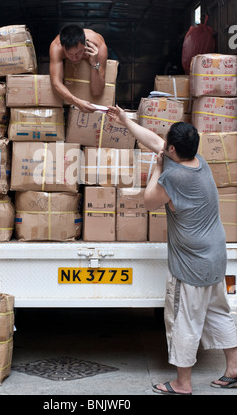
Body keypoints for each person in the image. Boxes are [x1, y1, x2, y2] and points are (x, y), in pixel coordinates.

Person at [108, 105, 237, 395]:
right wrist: (125, 121)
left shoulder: (174, 178)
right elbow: (153, 141)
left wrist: (156, 169)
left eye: (168, 143)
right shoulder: (197, 162)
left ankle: (182, 383)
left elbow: (148, 200)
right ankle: (234, 368)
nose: (163, 145)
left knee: (184, 321)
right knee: (218, 312)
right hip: (215, 256)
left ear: (174, 148)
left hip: (191, 264)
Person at [49, 24, 108, 113]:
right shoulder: (56, 47)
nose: (75, 58)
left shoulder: (98, 46)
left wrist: (94, 63)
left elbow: (97, 91)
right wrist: (78, 102)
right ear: (62, 47)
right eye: (69, 54)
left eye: (79, 52)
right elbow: (56, 83)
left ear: (85, 43)